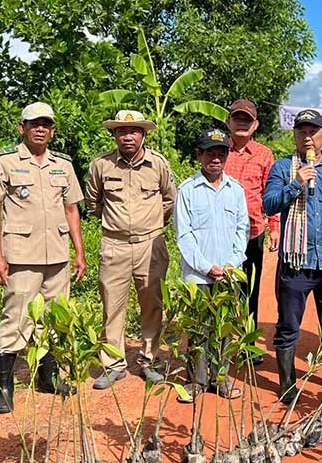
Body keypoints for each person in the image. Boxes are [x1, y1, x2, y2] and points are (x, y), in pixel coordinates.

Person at [0, 102, 86, 414]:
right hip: (21, 255)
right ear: (22, 128)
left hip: (57, 254)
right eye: (34, 124)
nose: (40, 129)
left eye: (45, 124)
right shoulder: (4, 161)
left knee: (54, 318)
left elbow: (71, 209)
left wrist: (79, 252)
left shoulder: (63, 164)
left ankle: (48, 377)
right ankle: (5, 388)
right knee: (16, 318)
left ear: (52, 131)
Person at [263, 109, 322, 405]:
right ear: (294, 136)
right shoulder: (283, 168)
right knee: (288, 326)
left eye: (313, 132)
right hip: (296, 264)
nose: (308, 137)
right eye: (302, 132)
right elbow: (269, 204)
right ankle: (287, 384)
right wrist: (296, 184)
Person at [85, 110, 176, 388]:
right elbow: (93, 203)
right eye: (122, 131)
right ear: (114, 135)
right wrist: (118, 226)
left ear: (143, 135)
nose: (128, 136)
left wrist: (151, 225)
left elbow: (170, 200)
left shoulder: (158, 164)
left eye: (134, 131)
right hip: (114, 245)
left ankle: (149, 360)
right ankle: (114, 364)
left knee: (152, 304)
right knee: (112, 306)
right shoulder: (101, 165)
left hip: (151, 244)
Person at [174, 128, 250, 401]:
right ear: (199, 155)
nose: (215, 159)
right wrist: (207, 267)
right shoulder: (187, 190)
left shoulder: (236, 190)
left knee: (225, 329)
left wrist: (232, 263)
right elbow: (184, 235)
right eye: (210, 153)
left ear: (227, 156)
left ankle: (221, 379)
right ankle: (196, 381)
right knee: (198, 329)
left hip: (228, 273)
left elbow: (242, 230)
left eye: (221, 153)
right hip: (198, 276)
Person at [223, 99, 279, 364]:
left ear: (255, 125)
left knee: (250, 290)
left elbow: (270, 194)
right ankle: (220, 346)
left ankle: (247, 344)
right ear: (229, 122)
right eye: (237, 118)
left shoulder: (264, 154)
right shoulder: (218, 149)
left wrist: (274, 227)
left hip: (253, 232)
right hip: (221, 234)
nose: (242, 123)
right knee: (221, 289)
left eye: (247, 120)